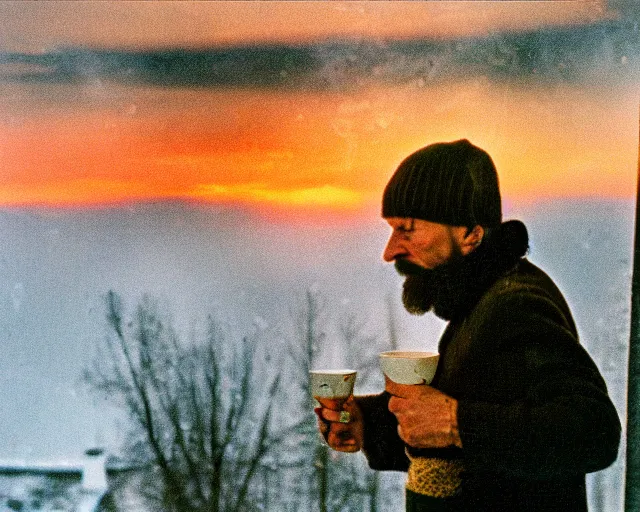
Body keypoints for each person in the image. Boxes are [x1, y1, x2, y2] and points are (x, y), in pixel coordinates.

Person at [315, 139, 621, 511]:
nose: (390, 250)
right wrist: (369, 424)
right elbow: (482, 419)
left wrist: (455, 422)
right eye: (393, 230)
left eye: (407, 230)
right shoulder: (482, 300)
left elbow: (593, 431)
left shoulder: (515, 305)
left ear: (470, 234)